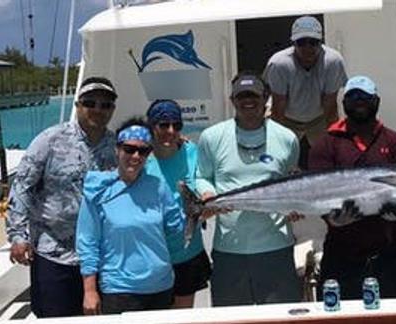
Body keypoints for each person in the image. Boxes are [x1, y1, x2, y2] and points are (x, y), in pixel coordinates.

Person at [5, 77, 118, 318]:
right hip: (53, 254)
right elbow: (21, 186)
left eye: (105, 105)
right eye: (90, 103)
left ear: (112, 110)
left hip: (100, 256)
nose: (97, 109)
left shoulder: (117, 146)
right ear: (77, 105)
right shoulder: (49, 140)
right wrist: (17, 235)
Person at [196, 73, 302, 306]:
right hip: (229, 251)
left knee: (280, 320)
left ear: (265, 98)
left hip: (276, 248)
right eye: (241, 96)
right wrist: (207, 193)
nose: (248, 101)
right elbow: (202, 177)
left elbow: (292, 183)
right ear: (232, 100)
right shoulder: (211, 137)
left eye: (253, 95)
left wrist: (295, 207)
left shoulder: (287, 138)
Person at [308, 75, 396, 300]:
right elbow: (319, 194)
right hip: (341, 250)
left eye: (365, 97)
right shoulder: (325, 144)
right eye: (353, 96)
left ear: (377, 101)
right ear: (344, 103)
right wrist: (332, 219)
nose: (359, 101)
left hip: (390, 250)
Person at [76, 118, 184, 315]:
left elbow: (175, 228)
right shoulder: (98, 190)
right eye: (129, 149)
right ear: (117, 149)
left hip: (161, 287)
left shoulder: (158, 187)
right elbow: (87, 243)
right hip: (119, 290)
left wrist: (198, 212)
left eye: (143, 151)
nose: (136, 156)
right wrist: (89, 291)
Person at [144, 100, 211, 308]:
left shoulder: (192, 151)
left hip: (187, 253)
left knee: (182, 315)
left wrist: (208, 194)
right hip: (153, 254)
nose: (171, 131)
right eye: (164, 125)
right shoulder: (141, 158)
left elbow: (201, 178)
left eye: (176, 125)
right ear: (152, 126)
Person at [263, 15, 347, 169]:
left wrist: (334, 142)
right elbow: (278, 108)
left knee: (330, 159)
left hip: (319, 117)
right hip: (286, 117)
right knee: (279, 160)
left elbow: (330, 106)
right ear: (293, 43)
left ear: (321, 42)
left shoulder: (333, 61)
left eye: (313, 43)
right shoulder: (279, 63)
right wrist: (277, 143)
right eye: (301, 43)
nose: (308, 48)